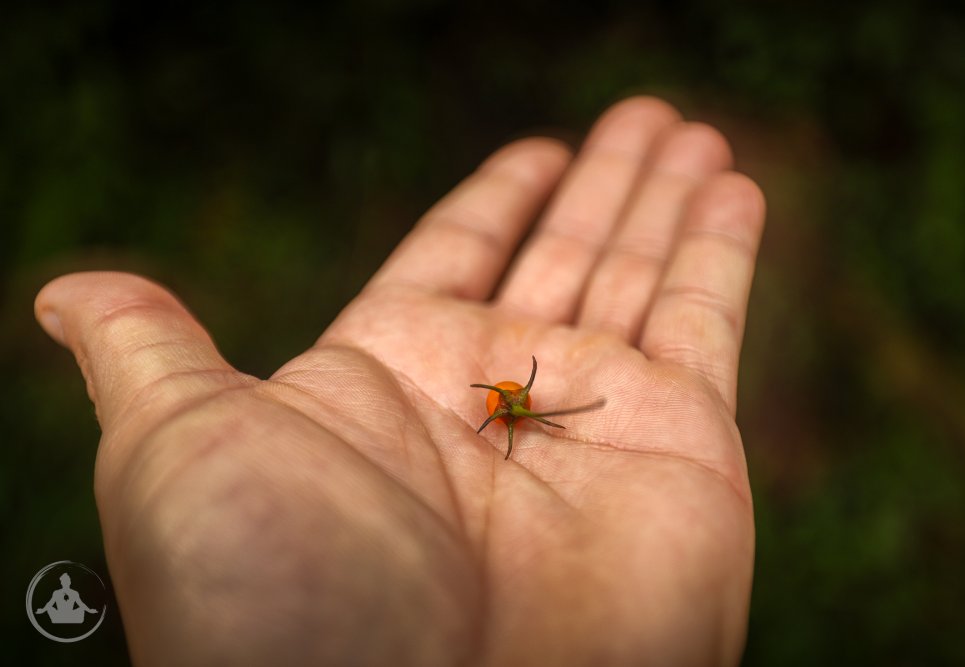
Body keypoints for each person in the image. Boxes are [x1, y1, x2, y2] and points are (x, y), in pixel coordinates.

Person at [35, 96, 765, 666]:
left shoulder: (522, 409)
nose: (516, 411)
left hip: (519, 412)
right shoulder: (504, 410)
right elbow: (510, 407)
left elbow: (528, 405)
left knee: (543, 412)